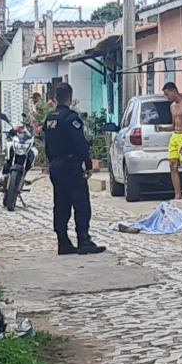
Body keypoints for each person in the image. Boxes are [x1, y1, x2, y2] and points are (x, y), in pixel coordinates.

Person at [43, 83, 106, 256]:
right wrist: (87, 163)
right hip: (70, 165)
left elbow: (47, 145)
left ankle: (63, 241)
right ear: (70, 98)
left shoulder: (49, 119)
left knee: (61, 204)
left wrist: (52, 163)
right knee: (81, 203)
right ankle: (83, 240)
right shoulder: (71, 118)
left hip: (56, 166)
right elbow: (80, 143)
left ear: (55, 98)